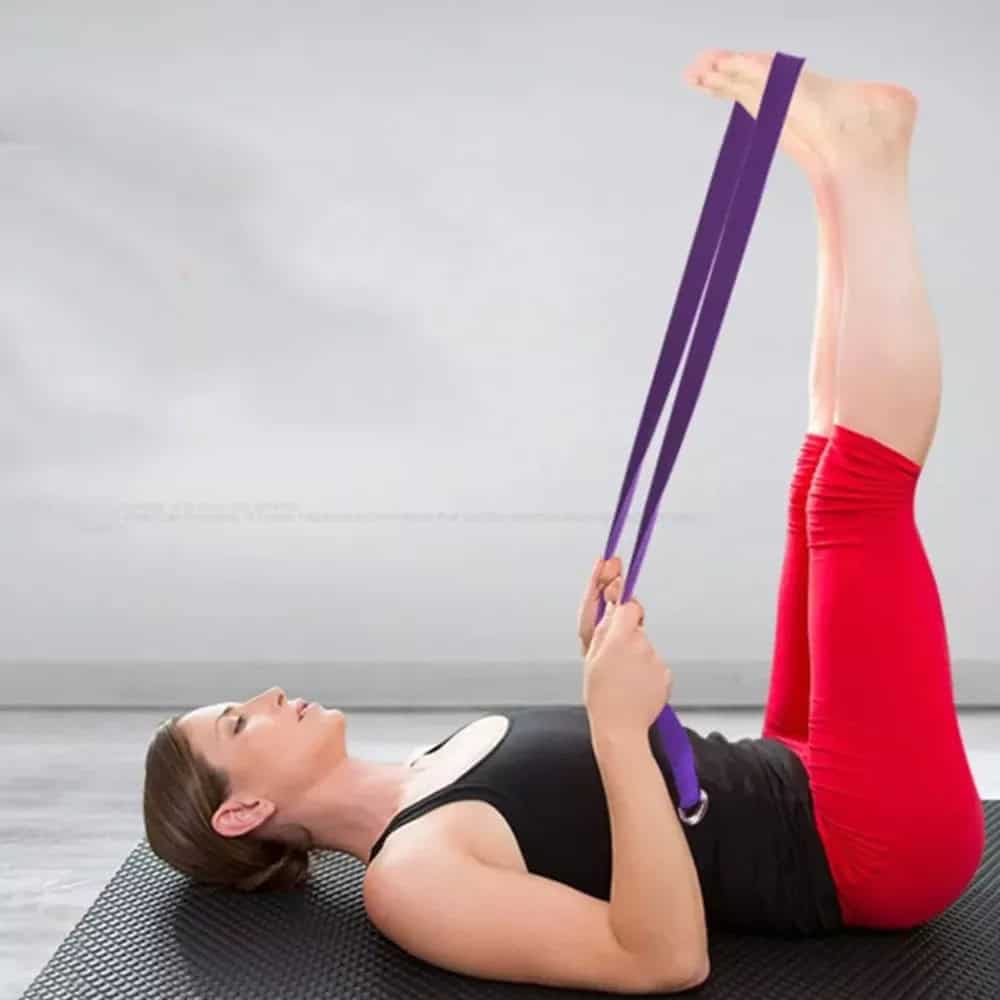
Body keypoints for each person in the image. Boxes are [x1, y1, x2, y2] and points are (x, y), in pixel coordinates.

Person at [143, 49, 985, 991]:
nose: (263, 697)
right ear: (241, 811)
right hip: (860, 848)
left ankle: (837, 172)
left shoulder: (431, 764)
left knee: (810, 489)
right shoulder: (407, 879)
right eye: (237, 725)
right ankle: (870, 164)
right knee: (854, 501)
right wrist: (618, 728)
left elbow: (658, 806)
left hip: (788, 769)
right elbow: (662, 960)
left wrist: (621, 690)